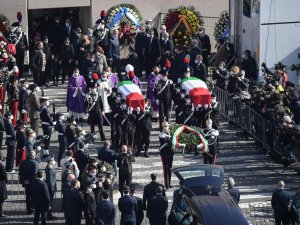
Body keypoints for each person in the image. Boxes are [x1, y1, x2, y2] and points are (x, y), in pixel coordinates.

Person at [159, 121, 174, 189]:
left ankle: (169, 183)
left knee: (170, 168)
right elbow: (169, 142)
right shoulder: (161, 134)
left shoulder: (170, 133)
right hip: (164, 153)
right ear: (162, 127)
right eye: (165, 126)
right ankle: (166, 184)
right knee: (165, 169)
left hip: (170, 153)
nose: (166, 127)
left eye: (167, 126)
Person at [45, 155, 57, 220]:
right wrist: (52, 189)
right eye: (53, 160)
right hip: (50, 188)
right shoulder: (50, 169)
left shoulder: (50, 167)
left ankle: (49, 214)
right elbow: (50, 181)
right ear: (50, 162)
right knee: (50, 202)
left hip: (51, 187)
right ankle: (49, 215)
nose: (54, 161)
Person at [0, 152, 7, 217]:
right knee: (1, 199)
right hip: (1, 184)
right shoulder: (1, 166)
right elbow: (4, 175)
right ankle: (0, 212)